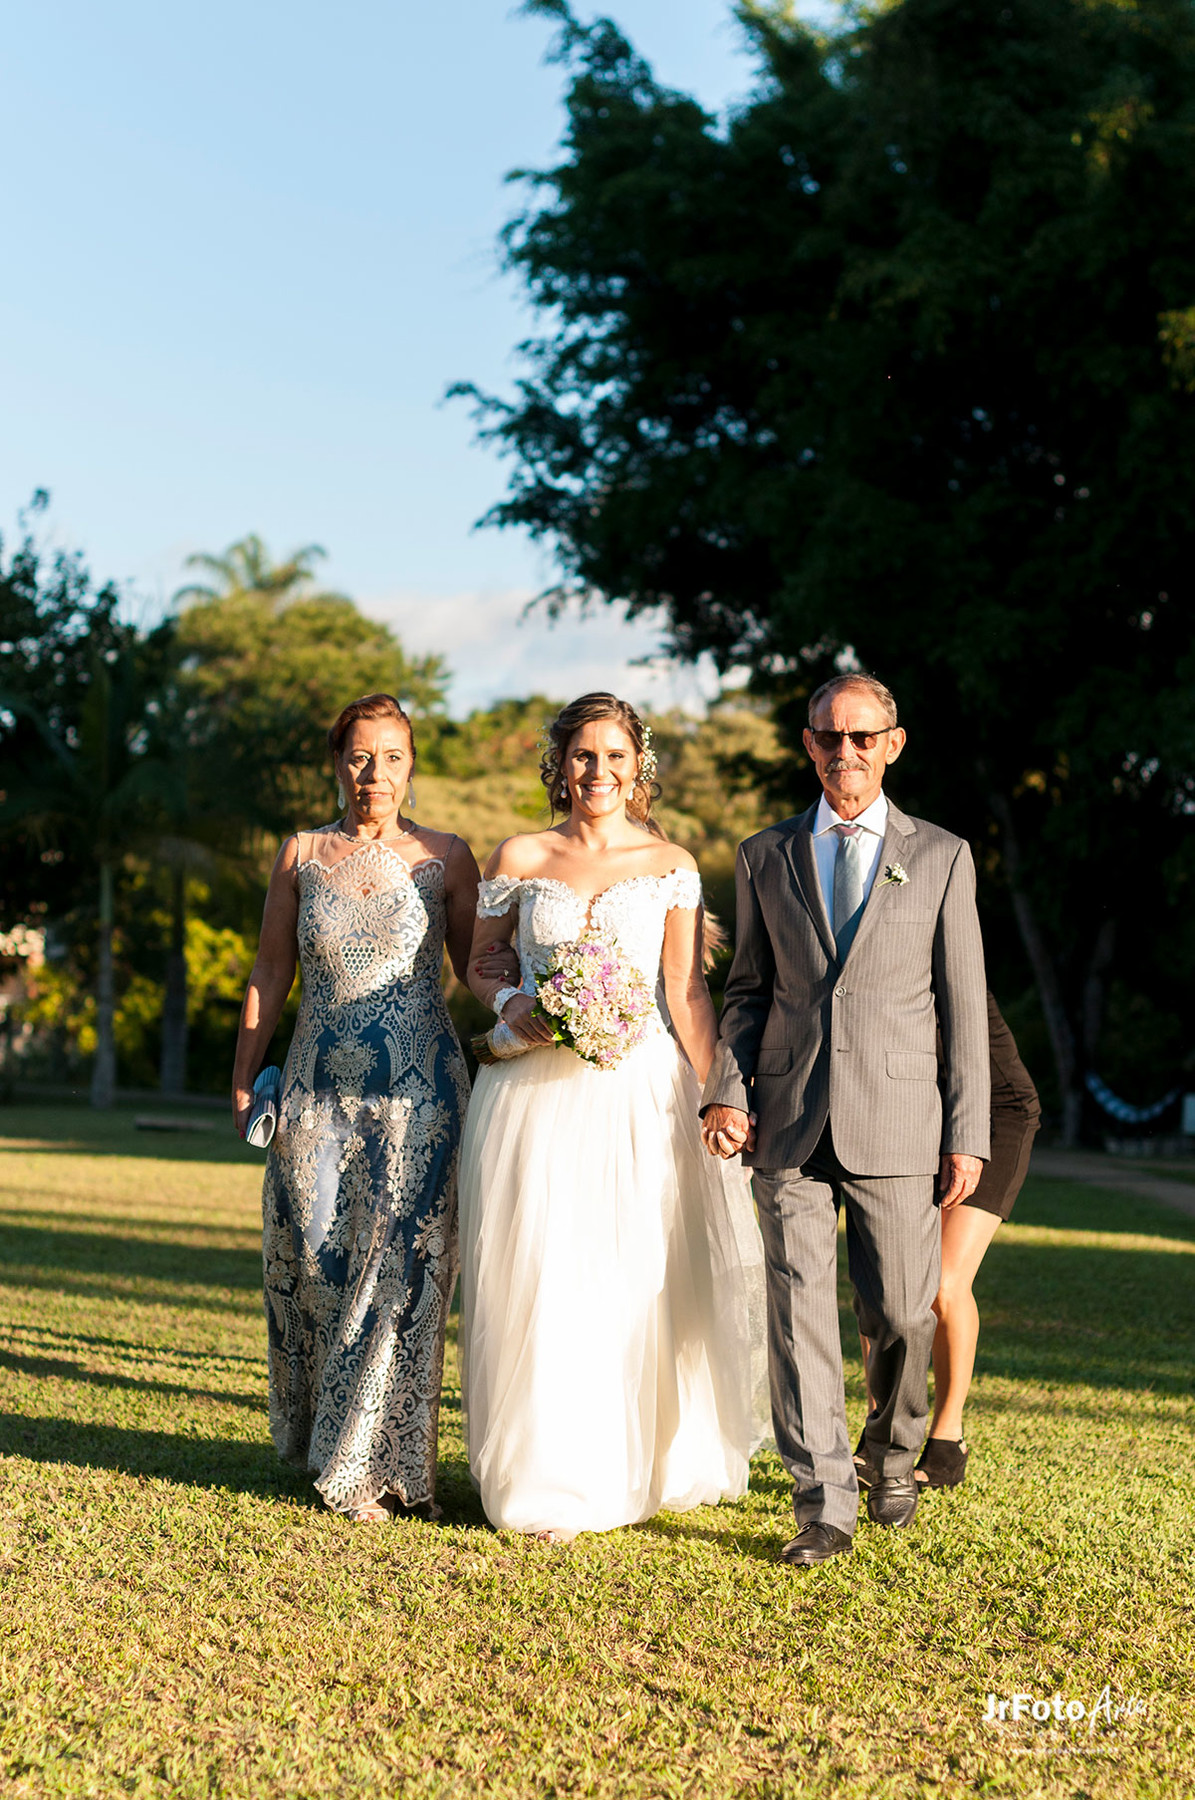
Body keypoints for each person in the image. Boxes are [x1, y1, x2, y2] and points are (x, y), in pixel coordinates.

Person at [457, 693, 767, 1543]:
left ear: (639, 768)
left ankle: (637, 1458)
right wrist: (515, 997)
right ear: (558, 765)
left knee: (629, 1275)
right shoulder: (520, 854)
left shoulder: (670, 863)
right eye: (582, 756)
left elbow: (686, 989)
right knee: (540, 1274)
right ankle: (544, 1476)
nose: (598, 771)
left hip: (639, 1097)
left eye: (615, 756)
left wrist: (718, 1093)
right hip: (530, 1098)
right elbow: (482, 960)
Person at [702, 673, 990, 1565]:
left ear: (892, 745)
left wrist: (966, 1130)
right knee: (796, 1314)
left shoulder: (941, 854)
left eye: (863, 738)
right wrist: (728, 1086)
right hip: (786, 1118)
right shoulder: (764, 856)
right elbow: (746, 990)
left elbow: (963, 1004)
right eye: (830, 737)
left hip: (901, 1121)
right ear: (808, 745)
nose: (846, 753)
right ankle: (822, 1500)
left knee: (904, 1312)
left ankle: (894, 1451)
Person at [232, 693, 480, 1523]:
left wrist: (546, 1003)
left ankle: (376, 1466)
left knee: (402, 1275)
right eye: (359, 756)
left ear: (413, 765)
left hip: (419, 1095)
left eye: (393, 757)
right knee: (315, 1260)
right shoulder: (300, 853)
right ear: (337, 763)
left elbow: (479, 968)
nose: (375, 773)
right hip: (313, 1091)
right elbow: (271, 971)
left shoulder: (446, 856)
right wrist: (244, 1076)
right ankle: (324, 1437)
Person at [855, 991, 1040, 1490]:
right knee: (882, 1280)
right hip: (914, 1125)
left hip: (993, 1121)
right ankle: (878, 1436)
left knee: (942, 1282)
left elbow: (967, 1070)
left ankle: (946, 1439)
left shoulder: (941, 963)